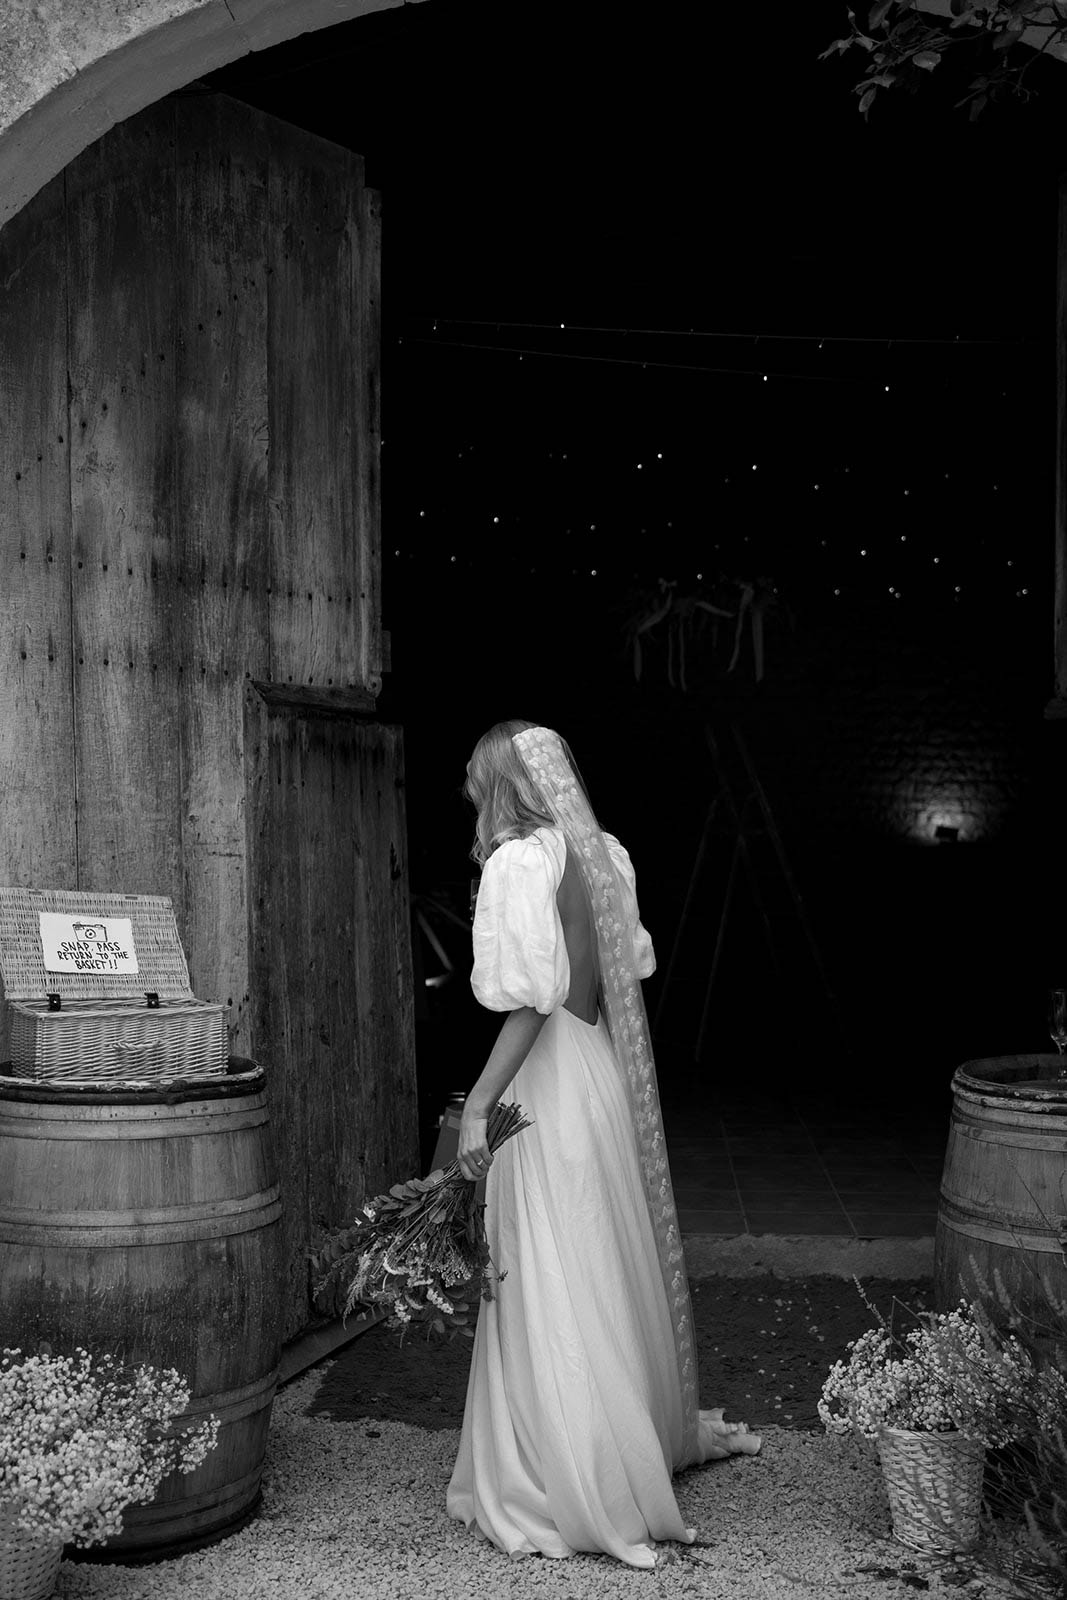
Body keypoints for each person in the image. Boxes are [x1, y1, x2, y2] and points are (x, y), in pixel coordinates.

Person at [446, 720, 760, 1569]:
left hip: (547, 1078)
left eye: (478, 781)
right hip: (596, 1078)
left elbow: (529, 1001)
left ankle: (572, 1472)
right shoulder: (604, 856)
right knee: (596, 1261)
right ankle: (624, 1445)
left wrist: (478, 1106)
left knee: (551, 1269)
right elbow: (616, 994)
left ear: (504, 783)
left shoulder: (520, 862)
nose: (472, 797)